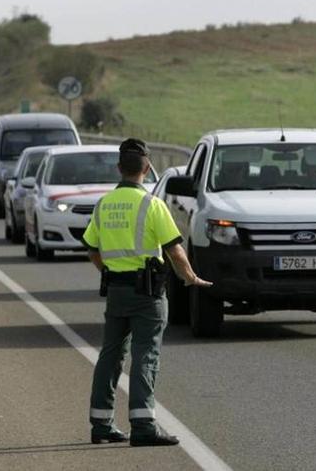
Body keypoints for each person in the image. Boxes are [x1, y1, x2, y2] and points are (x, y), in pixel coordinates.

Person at [82, 138, 212, 447]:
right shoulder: (152, 204)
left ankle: (101, 424)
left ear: (119, 169)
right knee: (145, 355)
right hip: (147, 294)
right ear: (148, 168)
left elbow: (91, 248)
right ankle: (142, 425)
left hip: (116, 291)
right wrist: (191, 278)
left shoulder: (104, 204)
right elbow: (175, 250)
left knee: (110, 355)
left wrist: (109, 272)